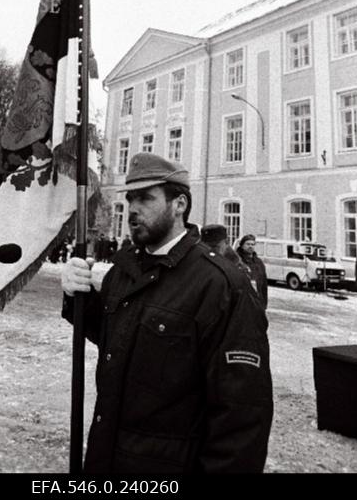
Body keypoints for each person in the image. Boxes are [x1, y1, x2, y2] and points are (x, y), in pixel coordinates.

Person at [61, 153, 273, 474]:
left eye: (146, 198)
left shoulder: (221, 285)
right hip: (108, 459)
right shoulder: (125, 267)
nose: (133, 208)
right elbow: (120, 340)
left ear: (179, 205)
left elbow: (241, 418)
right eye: (131, 198)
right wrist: (78, 296)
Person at [236, 233, 268, 310]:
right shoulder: (237, 261)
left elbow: (264, 284)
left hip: (257, 301)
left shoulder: (258, 262)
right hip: (241, 303)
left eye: (252, 244)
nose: (250, 246)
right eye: (248, 244)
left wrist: (264, 304)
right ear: (242, 245)